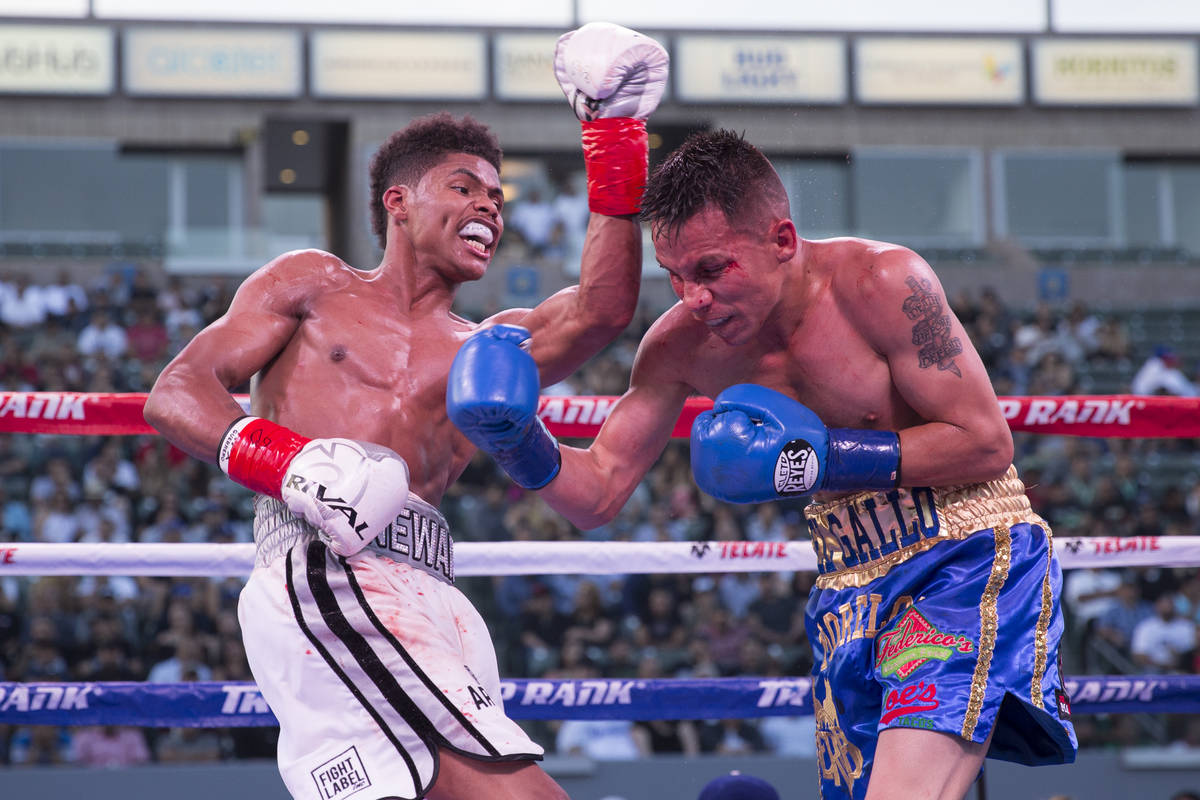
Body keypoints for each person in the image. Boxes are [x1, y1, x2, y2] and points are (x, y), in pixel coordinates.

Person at [448, 129, 1076, 799]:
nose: (693, 296)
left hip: (964, 555)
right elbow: (598, 493)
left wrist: (817, 458)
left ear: (781, 240)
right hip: (847, 585)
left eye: (713, 269)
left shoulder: (884, 282)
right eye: (677, 275)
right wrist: (520, 441)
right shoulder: (679, 347)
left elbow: (984, 442)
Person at [143, 22, 667, 800]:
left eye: (497, 196)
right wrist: (289, 464)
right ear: (398, 201)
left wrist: (614, 134)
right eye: (464, 188)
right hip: (327, 569)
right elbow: (177, 392)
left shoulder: (488, 347)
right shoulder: (312, 284)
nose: (489, 205)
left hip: (434, 590)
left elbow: (602, 309)